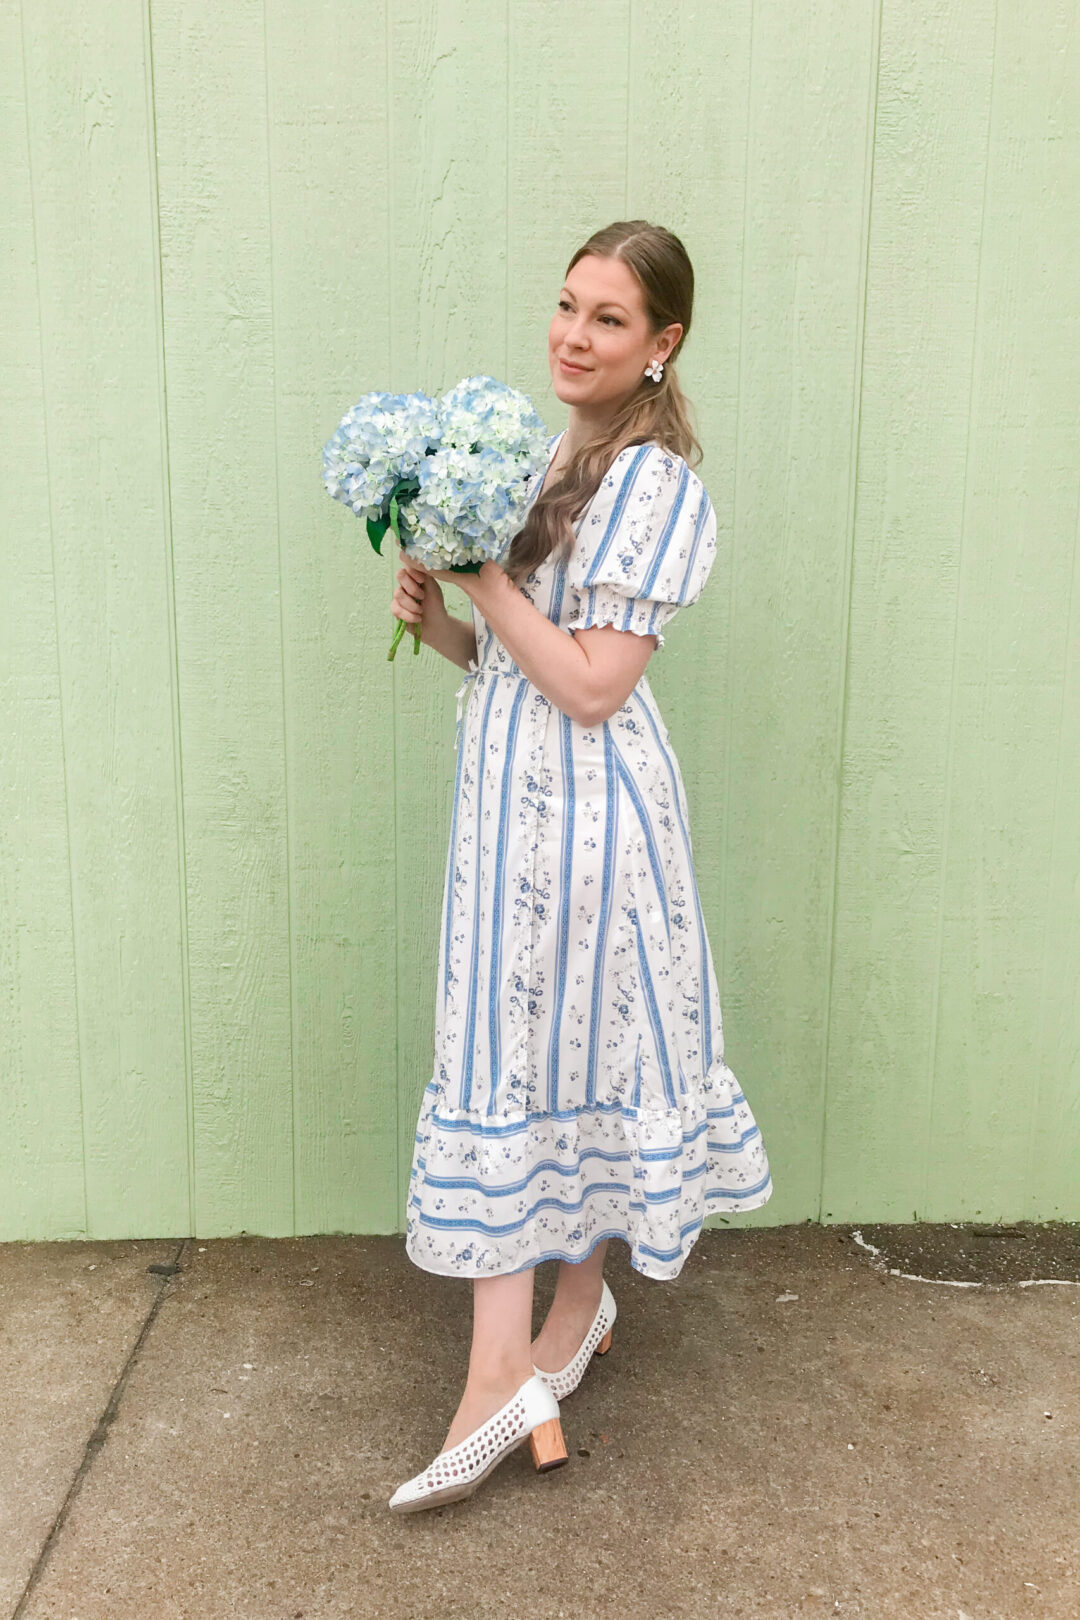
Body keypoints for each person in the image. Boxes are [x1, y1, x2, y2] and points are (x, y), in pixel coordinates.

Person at [386, 220, 773, 1513]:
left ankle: (505, 1372)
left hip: (592, 822)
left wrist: (483, 582)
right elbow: (521, 667)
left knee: (543, 1056)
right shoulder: (556, 453)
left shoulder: (654, 486)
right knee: (543, 1057)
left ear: (663, 346)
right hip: (508, 810)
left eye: (610, 319)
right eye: (566, 304)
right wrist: (452, 620)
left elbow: (597, 689)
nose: (573, 333)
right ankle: (576, 1309)